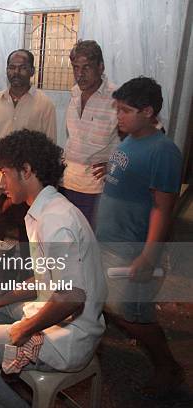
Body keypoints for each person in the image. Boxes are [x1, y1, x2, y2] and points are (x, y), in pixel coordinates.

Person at [0, 130, 106, 408]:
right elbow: (43, 278)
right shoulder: (46, 208)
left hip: (68, 337)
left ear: (26, 170)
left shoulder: (55, 220)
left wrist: (24, 329)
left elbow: (72, 296)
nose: (1, 182)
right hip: (60, 317)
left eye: (4, 173)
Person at [96, 77, 184, 397]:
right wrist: (111, 169)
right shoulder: (131, 138)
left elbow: (162, 208)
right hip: (110, 240)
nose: (118, 115)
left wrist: (148, 255)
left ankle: (167, 367)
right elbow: (135, 175)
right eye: (118, 108)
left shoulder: (164, 151)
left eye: (125, 110)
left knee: (134, 315)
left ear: (148, 111)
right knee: (109, 304)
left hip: (130, 248)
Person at [61, 40, 119, 227]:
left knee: (89, 243)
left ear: (101, 67)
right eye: (76, 67)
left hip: (96, 190)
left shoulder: (117, 98)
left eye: (86, 67)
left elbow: (147, 134)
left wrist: (115, 165)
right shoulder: (75, 93)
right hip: (67, 183)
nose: (80, 74)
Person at [0, 49, 57, 150]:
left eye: (23, 68)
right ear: (7, 70)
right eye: (12, 67)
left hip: (30, 165)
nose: (16, 72)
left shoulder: (45, 105)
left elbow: (50, 145)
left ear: (32, 71)